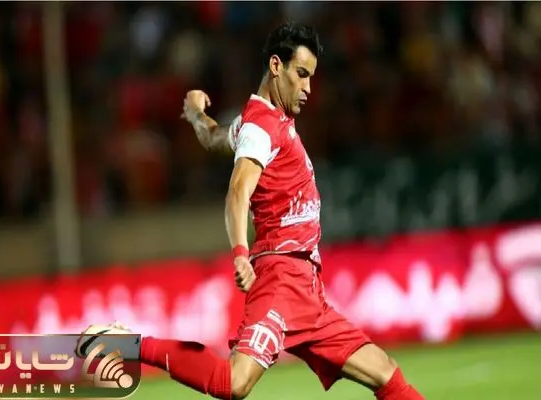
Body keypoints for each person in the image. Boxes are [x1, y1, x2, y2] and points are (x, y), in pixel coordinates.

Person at [76, 21, 425, 400]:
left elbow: (214, 137)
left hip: (307, 289)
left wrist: (195, 114)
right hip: (281, 278)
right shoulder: (261, 128)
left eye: (311, 77)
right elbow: (238, 190)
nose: (308, 87)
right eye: (301, 74)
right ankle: (129, 344)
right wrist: (241, 253)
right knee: (234, 383)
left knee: (385, 372)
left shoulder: (257, 123)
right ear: (276, 66)